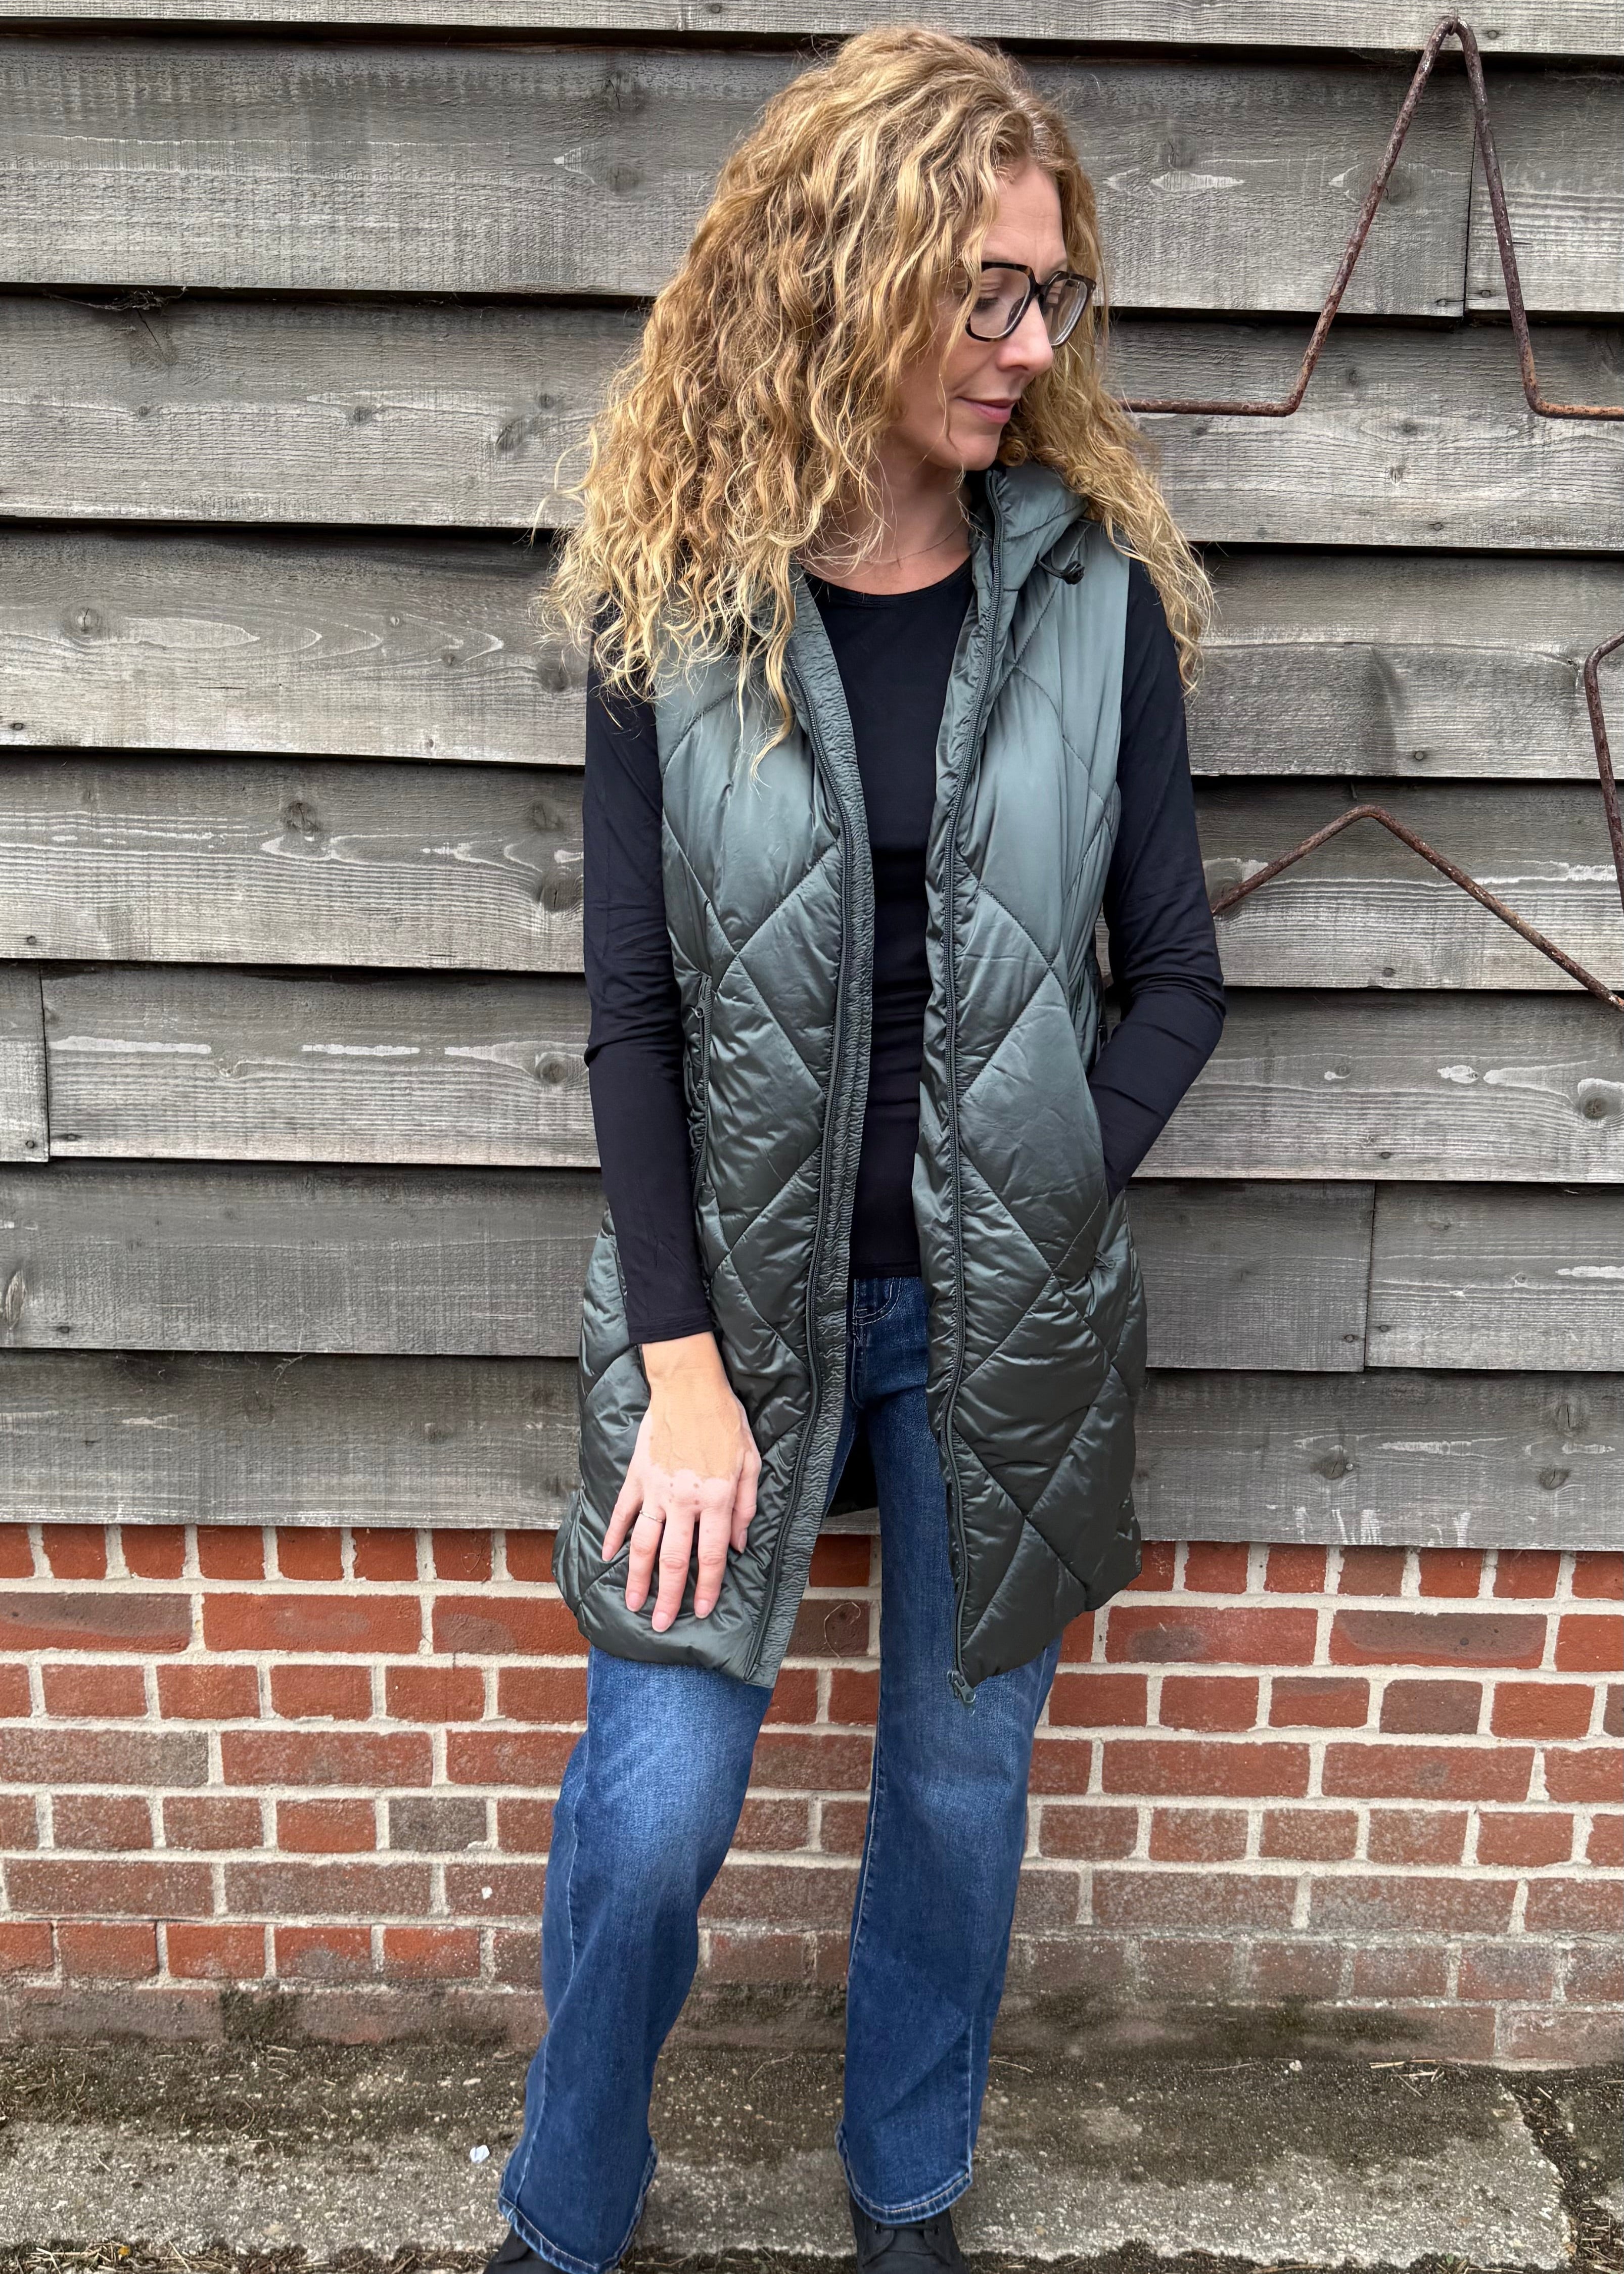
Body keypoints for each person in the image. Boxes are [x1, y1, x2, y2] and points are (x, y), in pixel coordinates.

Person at [489, 27, 1227, 2271]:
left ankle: (906, 2191)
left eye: (1050, 295)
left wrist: (1046, 1184)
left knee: (951, 1796)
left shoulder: (1093, 596)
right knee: (648, 1814)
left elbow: (1179, 980)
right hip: (727, 1309)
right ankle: (565, 2214)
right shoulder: (680, 598)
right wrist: (689, 1368)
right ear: (854, 268)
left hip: (1007, 1312)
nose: (1026, 344)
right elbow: (628, 1014)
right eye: (983, 291)